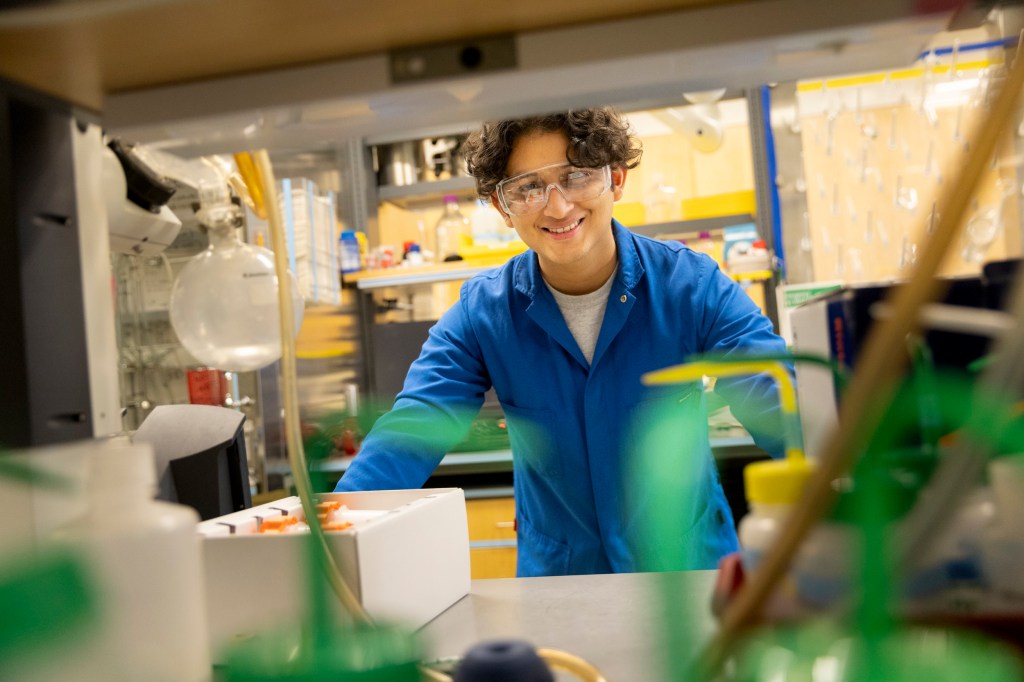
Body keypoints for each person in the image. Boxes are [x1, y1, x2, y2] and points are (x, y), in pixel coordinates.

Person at [336, 107, 789, 576]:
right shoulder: (484, 312)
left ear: (615, 179)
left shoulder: (691, 285)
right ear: (502, 207)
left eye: (575, 176)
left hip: (690, 575)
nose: (556, 206)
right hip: (559, 586)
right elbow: (413, 428)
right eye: (528, 187)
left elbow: (776, 395)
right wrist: (333, 530)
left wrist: (853, 476)